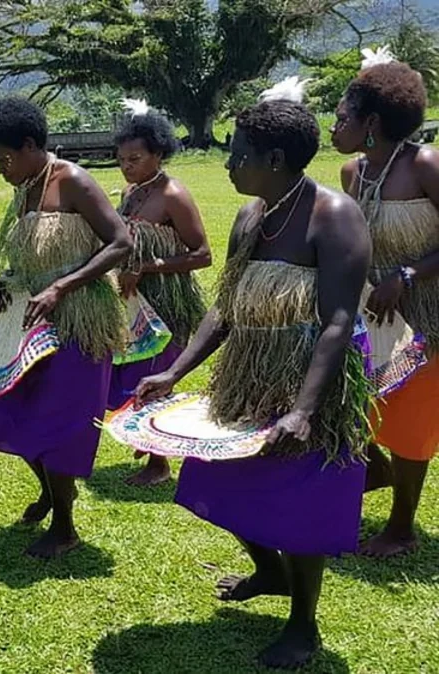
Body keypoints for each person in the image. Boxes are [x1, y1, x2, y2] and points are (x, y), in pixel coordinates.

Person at [135, 93, 373, 669]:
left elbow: (339, 320)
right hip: (251, 374)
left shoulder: (335, 216)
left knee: (302, 497)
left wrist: (304, 409)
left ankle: (304, 624)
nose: (227, 163)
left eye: (236, 153)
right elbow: (226, 307)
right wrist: (173, 370)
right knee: (216, 479)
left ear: (272, 157)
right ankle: (270, 570)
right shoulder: (250, 216)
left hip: (317, 375)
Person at [0, 97, 132, 558]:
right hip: (31, 320)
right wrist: (6, 281)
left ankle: (65, 527)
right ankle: (51, 494)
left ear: (30, 145)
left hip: (78, 320)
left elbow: (121, 241)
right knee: (17, 410)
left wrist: (63, 287)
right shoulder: (25, 187)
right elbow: (27, 255)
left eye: (5, 159)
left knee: (58, 422)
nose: (2, 170)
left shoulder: (72, 181)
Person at [332, 58, 439, 557]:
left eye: (342, 116)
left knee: (414, 413)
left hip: (426, 313)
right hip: (371, 310)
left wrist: (409, 275)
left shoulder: (424, 165)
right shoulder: (352, 171)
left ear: (370, 122)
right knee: (358, 398)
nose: (335, 125)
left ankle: (401, 528)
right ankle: (372, 468)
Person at [110, 108, 212, 486]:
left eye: (135, 159)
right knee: (130, 376)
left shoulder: (174, 194)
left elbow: (203, 254)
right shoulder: (130, 192)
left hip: (166, 305)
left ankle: (159, 464)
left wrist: (148, 267)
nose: (127, 167)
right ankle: (150, 451)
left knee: (153, 378)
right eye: (121, 160)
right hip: (134, 304)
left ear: (158, 154)